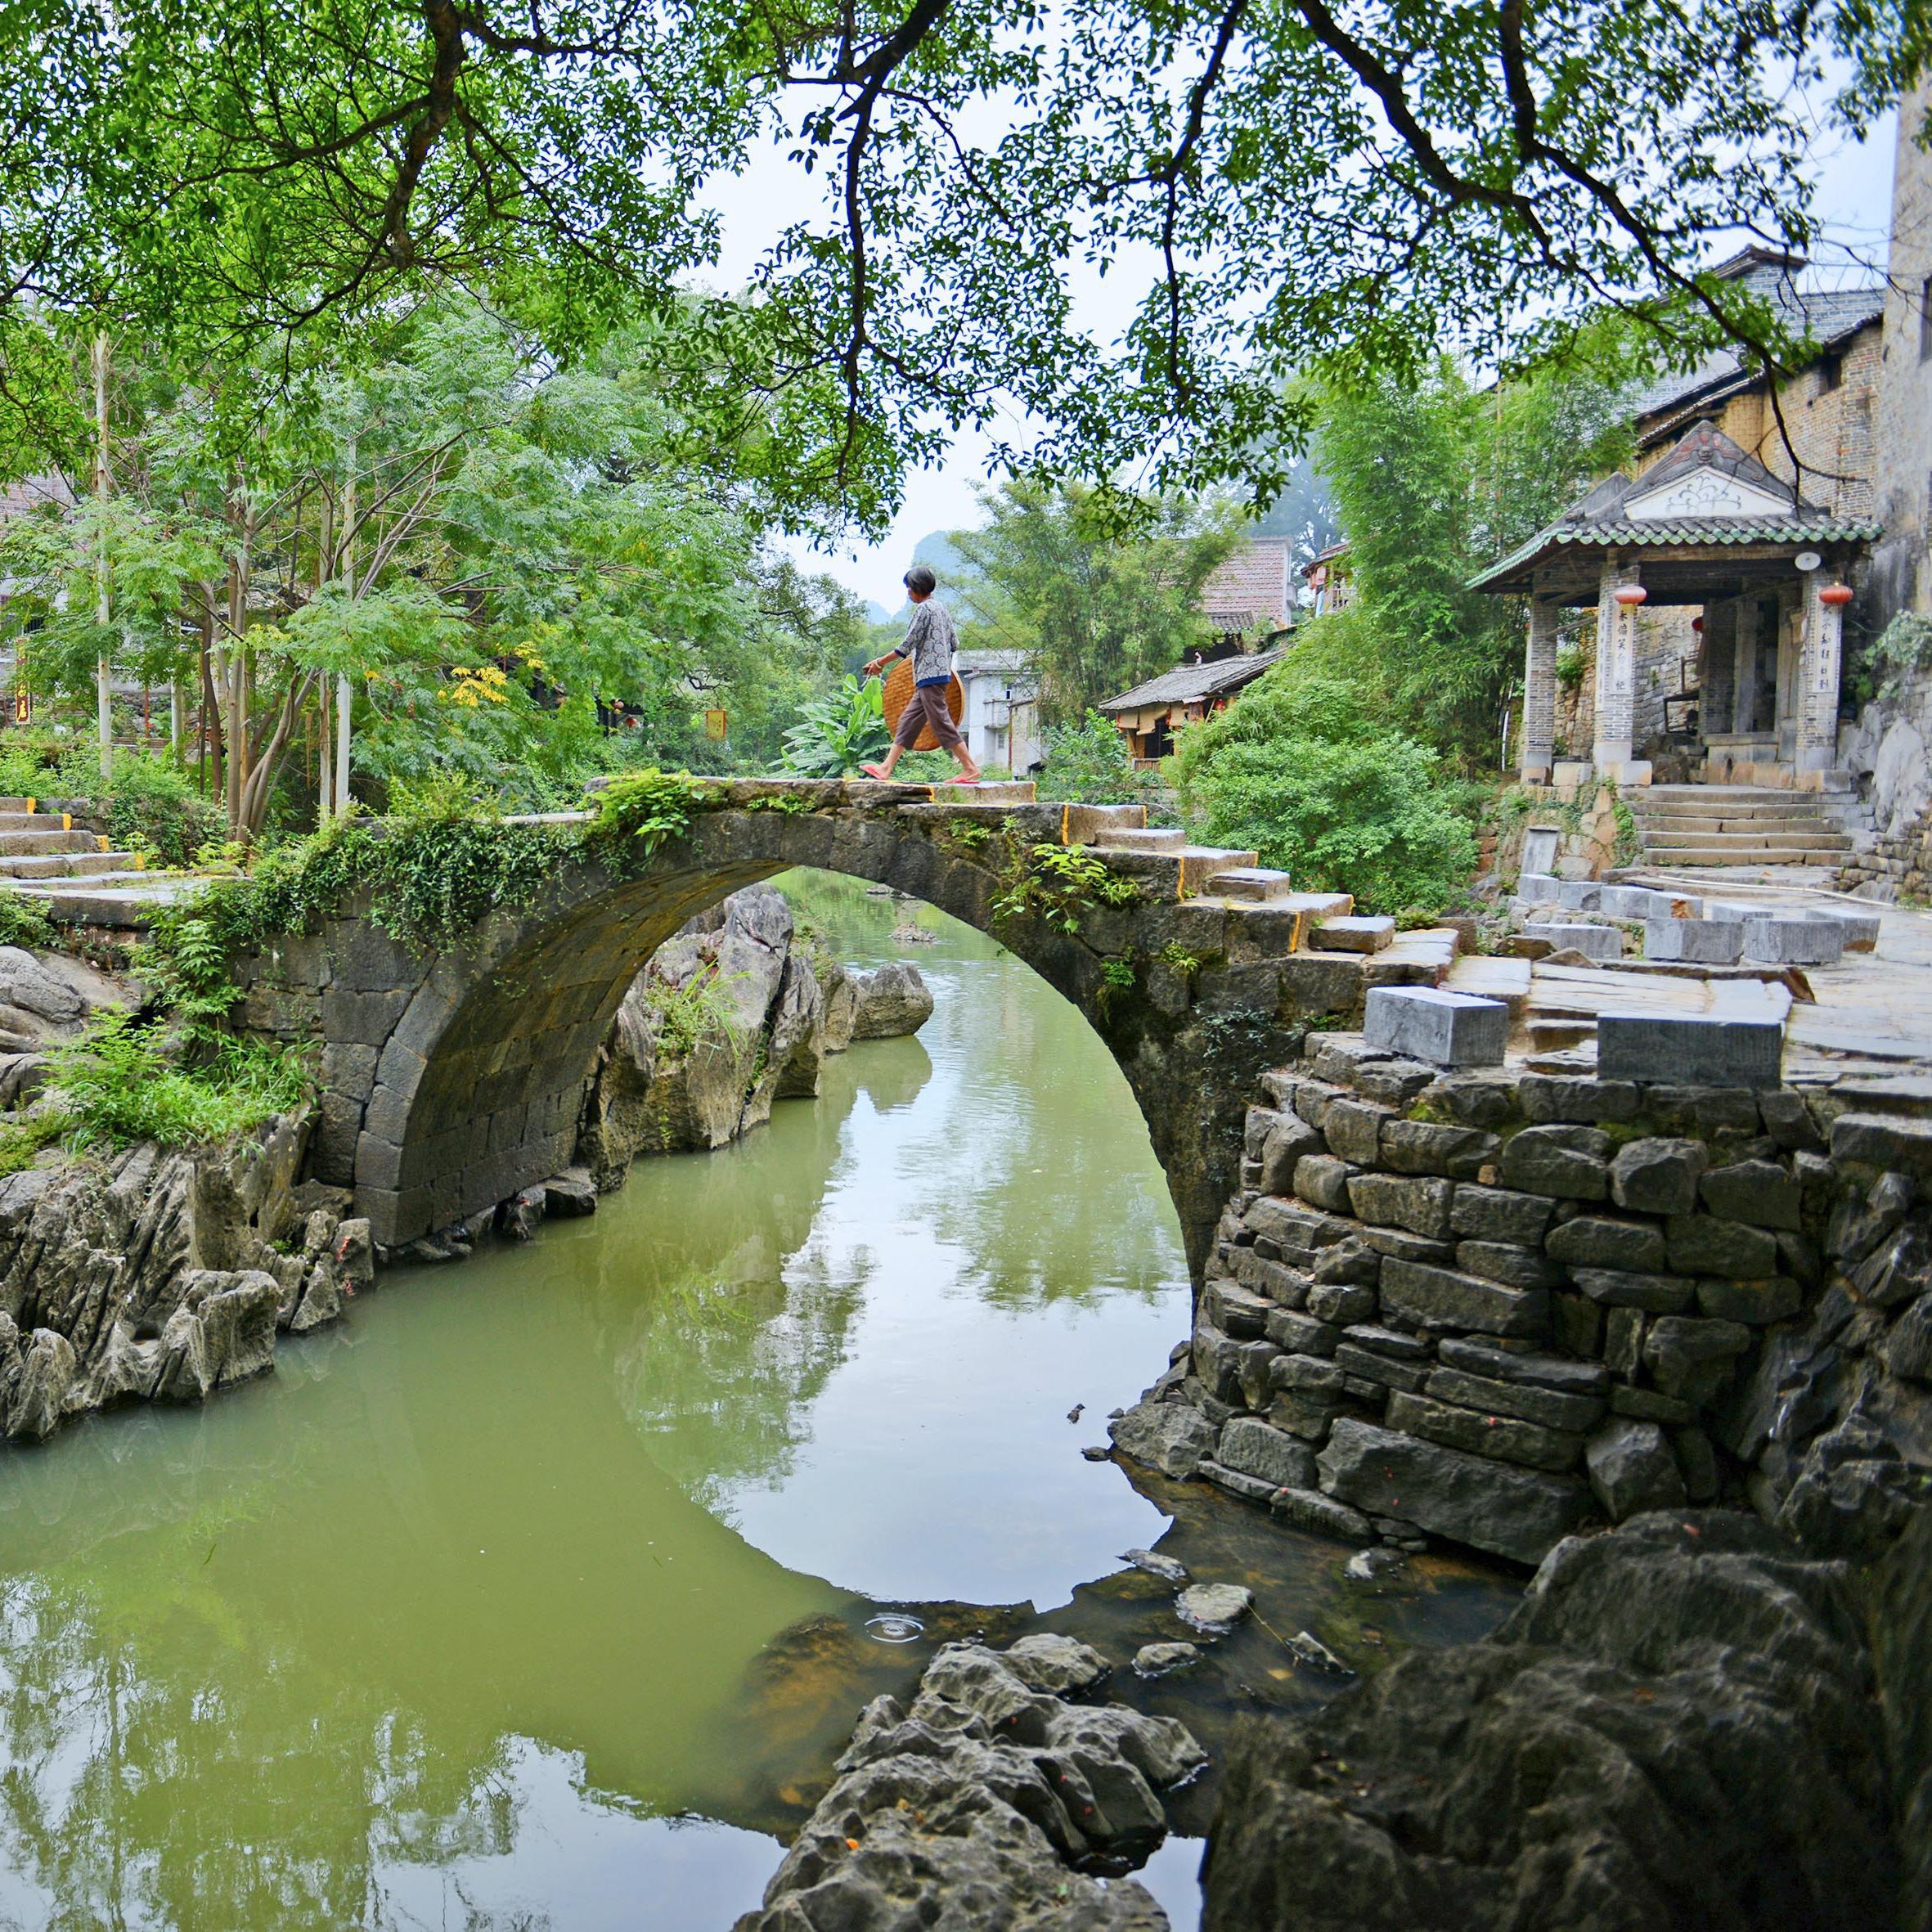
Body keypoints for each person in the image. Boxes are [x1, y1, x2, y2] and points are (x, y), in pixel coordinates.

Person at [860, 566, 982, 783]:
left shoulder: (924, 610)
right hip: (936, 675)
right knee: (907, 722)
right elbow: (955, 642)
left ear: (917, 588)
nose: (908, 593)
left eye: (909, 588)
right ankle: (886, 768)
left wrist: (880, 663)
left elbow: (907, 644)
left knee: (942, 722)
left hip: (930, 676)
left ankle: (970, 767)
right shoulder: (941, 609)